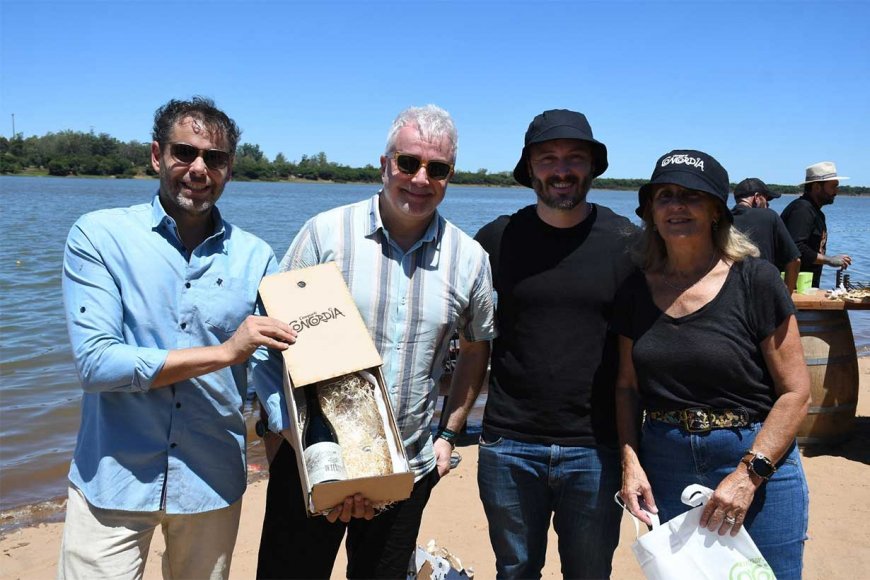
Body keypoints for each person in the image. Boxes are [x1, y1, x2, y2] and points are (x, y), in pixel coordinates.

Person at [58, 97, 297, 579]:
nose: (198, 168)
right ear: (156, 155)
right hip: (113, 478)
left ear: (230, 169)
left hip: (211, 479)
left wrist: (306, 444)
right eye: (184, 152)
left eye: (215, 158)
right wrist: (226, 352)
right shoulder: (99, 236)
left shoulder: (256, 256)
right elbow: (96, 365)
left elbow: (270, 370)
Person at [256, 104, 495, 579]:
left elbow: (476, 348)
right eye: (408, 162)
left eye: (437, 168)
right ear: (385, 164)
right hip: (314, 463)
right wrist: (282, 434)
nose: (420, 178)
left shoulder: (470, 260)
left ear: (450, 176)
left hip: (405, 466)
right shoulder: (326, 234)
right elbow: (270, 341)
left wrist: (449, 433)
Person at [614, 149, 811, 579]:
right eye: (665, 195)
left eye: (692, 196)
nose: (676, 205)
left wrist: (748, 474)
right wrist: (630, 462)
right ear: (651, 211)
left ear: (717, 212)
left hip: (756, 459)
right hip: (665, 460)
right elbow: (627, 387)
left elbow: (796, 392)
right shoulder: (634, 288)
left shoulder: (754, 280)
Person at [473, 109, 636, 579]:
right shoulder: (497, 238)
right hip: (509, 443)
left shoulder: (628, 242)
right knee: (515, 571)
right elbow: (449, 317)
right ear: (530, 169)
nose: (561, 169)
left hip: (597, 447)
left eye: (574, 158)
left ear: (591, 167)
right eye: (548, 158)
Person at [780, 161, 852, 287]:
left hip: (805, 287)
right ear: (817, 187)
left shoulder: (816, 212)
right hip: (792, 289)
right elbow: (796, 248)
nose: (836, 191)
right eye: (833, 186)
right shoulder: (802, 209)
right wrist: (829, 260)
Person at [730, 177, 801, 293]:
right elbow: (795, 261)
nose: (768, 205)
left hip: (730, 297)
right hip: (763, 296)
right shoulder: (769, 216)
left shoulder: (722, 219)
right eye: (766, 201)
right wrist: (787, 296)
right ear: (757, 198)